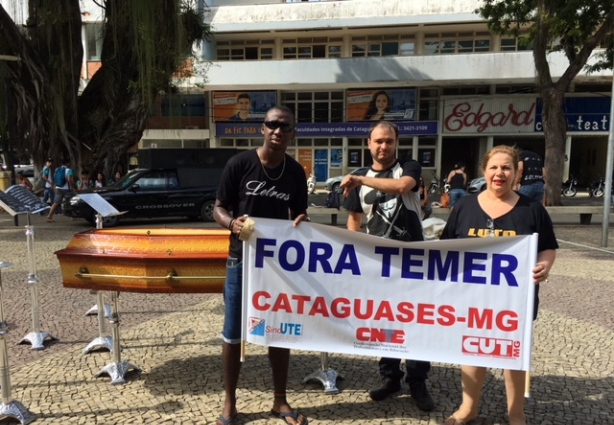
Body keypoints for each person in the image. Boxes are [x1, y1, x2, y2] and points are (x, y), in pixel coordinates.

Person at [440, 145, 558, 425]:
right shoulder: (464, 206)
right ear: (484, 172)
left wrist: (545, 265)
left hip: (514, 303)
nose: (499, 173)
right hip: (471, 299)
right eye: (493, 167)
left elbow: (549, 247)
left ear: (517, 172)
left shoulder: (532, 210)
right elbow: (445, 248)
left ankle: (516, 413)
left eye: (506, 167)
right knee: (471, 351)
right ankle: (468, 408)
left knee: (512, 356)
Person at [212, 106, 310, 425]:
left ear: (293, 133)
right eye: (272, 124)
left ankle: (280, 400)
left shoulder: (296, 172)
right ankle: (229, 402)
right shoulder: (239, 164)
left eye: (285, 126)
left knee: (278, 331)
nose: (277, 130)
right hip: (240, 260)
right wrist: (232, 223)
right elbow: (218, 208)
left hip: (278, 265)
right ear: (262, 129)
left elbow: (300, 216)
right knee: (233, 333)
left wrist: (302, 221)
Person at [340, 120, 435, 412]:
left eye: (389, 141)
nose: (383, 146)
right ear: (368, 143)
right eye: (378, 141)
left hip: (413, 263)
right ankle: (390, 378)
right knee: (385, 322)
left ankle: (417, 381)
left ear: (396, 143)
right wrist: (356, 259)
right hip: (378, 266)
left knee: (416, 322)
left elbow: (402, 187)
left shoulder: (409, 167)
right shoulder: (359, 177)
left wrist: (359, 180)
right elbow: (354, 222)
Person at [46, 158, 75, 223]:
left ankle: (50, 215)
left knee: (56, 202)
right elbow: (69, 180)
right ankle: (72, 216)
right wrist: (73, 187)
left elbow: (54, 178)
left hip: (58, 188)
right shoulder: (69, 170)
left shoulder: (57, 169)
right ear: (68, 163)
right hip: (67, 189)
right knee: (70, 201)